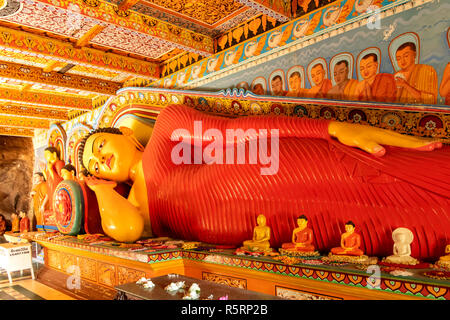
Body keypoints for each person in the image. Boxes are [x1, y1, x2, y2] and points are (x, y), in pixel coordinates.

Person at [78, 104, 448, 260]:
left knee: (373, 175)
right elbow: (124, 230)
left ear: (126, 135)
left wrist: (330, 129)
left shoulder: (166, 129)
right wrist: (97, 189)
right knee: (384, 230)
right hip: (269, 226)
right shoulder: (134, 211)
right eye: (94, 164)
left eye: (98, 144)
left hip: (281, 166)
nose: (98, 157)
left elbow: (235, 132)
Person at [41, 146, 65, 212]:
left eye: (47, 154)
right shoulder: (50, 166)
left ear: (54, 154)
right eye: (44, 155)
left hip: (58, 191)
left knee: (58, 208)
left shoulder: (59, 163)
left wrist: (51, 169)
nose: (45, 157)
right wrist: (44, 171)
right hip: (51, 191)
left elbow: (60, 181)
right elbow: (49, 180)